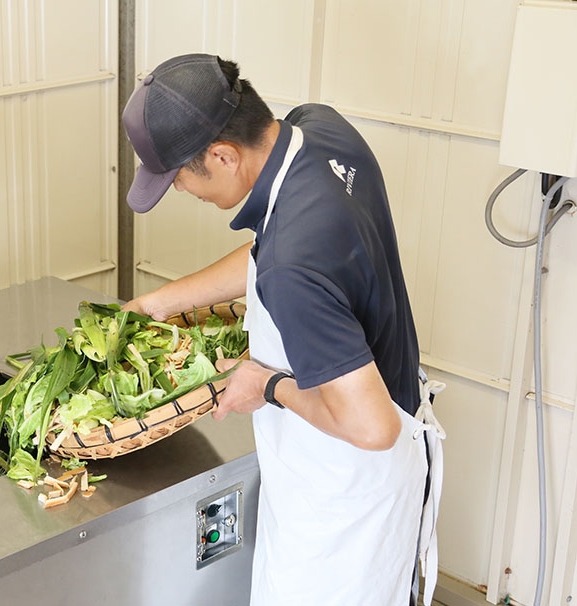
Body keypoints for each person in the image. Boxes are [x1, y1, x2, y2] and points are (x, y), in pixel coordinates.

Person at [120, 54, 444, 606]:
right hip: (353, 465)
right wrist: (161, 302)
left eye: (177, 178)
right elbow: (275, 250)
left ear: (223, 156)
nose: (180, 191)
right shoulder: (320, 130)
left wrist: (265, 384)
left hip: (343, 501)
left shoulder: (291, 269)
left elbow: (372, 427)